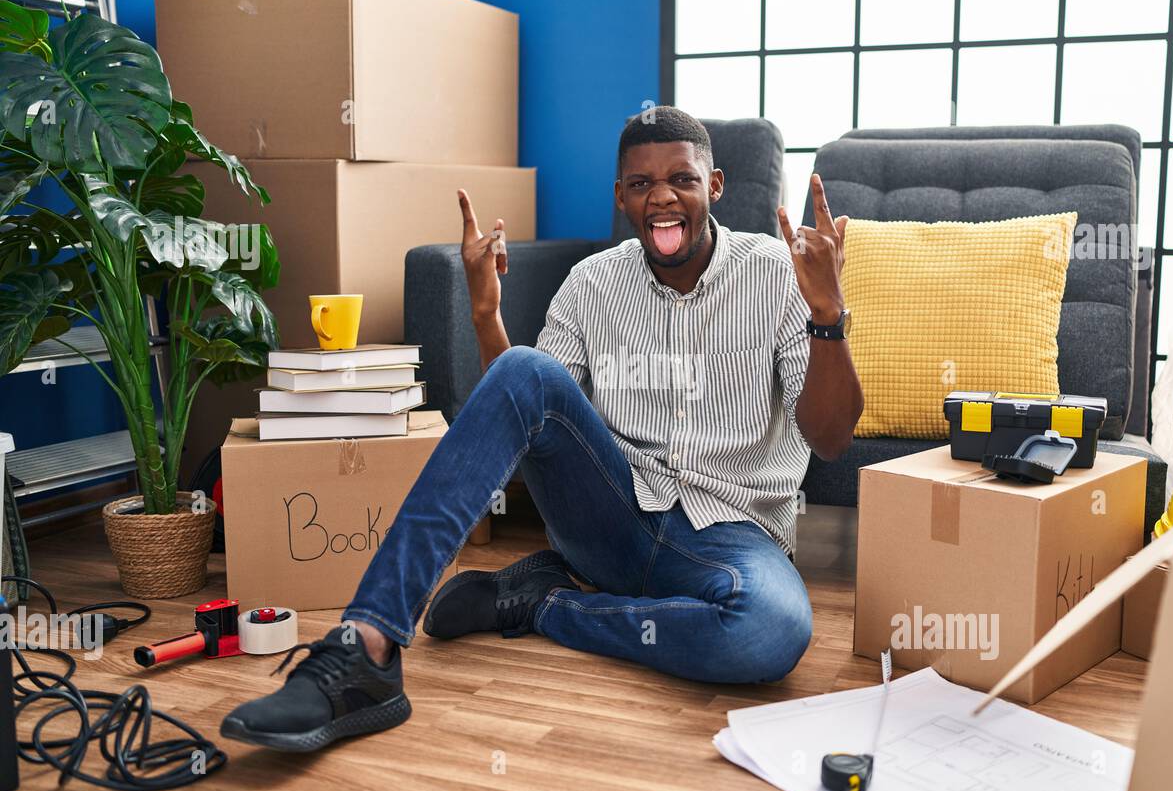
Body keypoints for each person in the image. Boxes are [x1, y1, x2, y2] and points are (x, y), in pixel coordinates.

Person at [221, 107, 864, 752]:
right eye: (640, 184)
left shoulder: (778, 275)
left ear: (714, 186)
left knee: (770, 631)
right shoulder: (592, 283)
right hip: (611, 515)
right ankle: (366, 646)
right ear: (620, 197)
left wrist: (828, 315)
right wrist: (483, 312)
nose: (662, 197)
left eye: (681, 180)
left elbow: (831, 438)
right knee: (530, 366)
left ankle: (541, 604)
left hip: (729, 537)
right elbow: (521, 407)